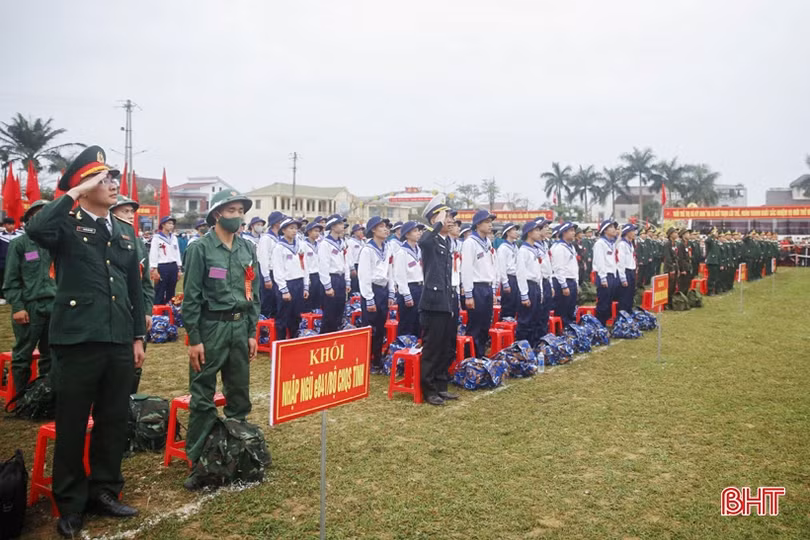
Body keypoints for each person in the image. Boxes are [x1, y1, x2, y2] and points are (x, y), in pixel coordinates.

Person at [25, 146, 146, 537]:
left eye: (112, 178)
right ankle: (71, 503)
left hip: (117, 339)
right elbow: (37, 230)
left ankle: (105, 491)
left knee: (113, 419)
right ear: (84, 185)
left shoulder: (124, 231)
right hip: (78, 340)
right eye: (103, 179)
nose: (112, 185)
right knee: (73, 424)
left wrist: (138, 336)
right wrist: (74, 193)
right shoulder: (66, 223)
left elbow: (133, 287)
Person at [182, 189, 259, 491]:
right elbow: (191, 297)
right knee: (202, 394)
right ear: (217, 215)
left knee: (238, 392)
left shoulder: (247, 249)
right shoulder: (200, 249)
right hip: (211, 328)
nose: (238, 216)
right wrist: (194, 339)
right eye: (231, 211)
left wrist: (252, 332)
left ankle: (236, 450)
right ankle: (199, 460)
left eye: (241, 210)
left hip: (239, 328)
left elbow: (254, 292)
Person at [3, 200, 55, 397]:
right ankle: (20, 397)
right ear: (30, 220)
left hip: (54, 305)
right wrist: (17, 307)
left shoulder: (57, 244)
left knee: (51, 353)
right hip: (30, 307)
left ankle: (43, 397)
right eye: (39, 215)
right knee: (23, 354)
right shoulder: (20, 244)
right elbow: (11, 280)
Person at [110, 195, 155, 393]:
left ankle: (130, 402)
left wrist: (146, 311)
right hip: (113, 311)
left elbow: (145, 283)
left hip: (135, 313)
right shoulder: (106, 241)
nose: (130, 216)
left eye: (131, 212)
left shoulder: (137, 243)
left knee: (136, 362)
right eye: (124, 211)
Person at [417, 196, 459, 405]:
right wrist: (438, 224)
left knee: (445, 345)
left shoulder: (445, 242)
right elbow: (423, 241)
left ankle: (441, 385)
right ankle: (429, 389)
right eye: (446, 216)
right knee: (432, 348)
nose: (451, 220)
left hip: (445, 300)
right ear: (435, 219)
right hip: (432, 302)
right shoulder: (429, 239)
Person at [358, 216, 394, 372]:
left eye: (386, 227)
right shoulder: (367, 249)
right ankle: (367, 359)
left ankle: (377, 359)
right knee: (370, 327)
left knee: (380, 326)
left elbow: (390, 271)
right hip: (372, 290)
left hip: (383, 288)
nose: (386, 230)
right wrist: (369, 298)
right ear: (373, 230)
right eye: (381, 227)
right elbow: (364, 275)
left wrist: (391, 292)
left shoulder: (388, 248)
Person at [461, 209, 497, 358]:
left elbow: (491, 265)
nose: (490, 225)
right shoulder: (470, 242)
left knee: (485, 324)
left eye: (490, 222)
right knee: (475, 325)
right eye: (487, 222)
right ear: (478, 224)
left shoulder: (487, 242)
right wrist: (468, 294)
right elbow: (467, 269)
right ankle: (471, 358)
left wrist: (493, 289)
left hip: (487, 286)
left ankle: (481, 354)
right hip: (476, 288)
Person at [272, 217, 310, 340]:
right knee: (283, 316)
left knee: (296, 315)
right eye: (291, 228)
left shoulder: (300, 246)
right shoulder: (279, 247)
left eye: (296, 228)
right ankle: (280, 344)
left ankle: (293, 340)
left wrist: (305, 286)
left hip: (298, 282)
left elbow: (305, 267)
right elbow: (278, 270)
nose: (294, 231)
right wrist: (284, 290)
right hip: (287, 284)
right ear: (283, 230)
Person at [318, 214, 351, 334]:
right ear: (333, 226)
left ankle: (335, 337)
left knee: (339, 311)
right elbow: (323, 266)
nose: (343, 226)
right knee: (329, 314)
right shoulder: (325, 244)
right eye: (340, 224)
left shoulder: (342, 242)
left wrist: (347, 280)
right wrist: (328, 286)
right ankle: (325, 338)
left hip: (340, 278)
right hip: (331, 279)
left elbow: (345, 262)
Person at [394, 221, 425, 337]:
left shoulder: (420, 250)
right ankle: (404, 349)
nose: (419, 233)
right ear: (407, 234)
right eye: (415, 231)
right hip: (409, 288)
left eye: (419, 231)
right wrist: (406, 295)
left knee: (419, 322)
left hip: (420, 287)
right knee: (407, 322)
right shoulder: (402, 252)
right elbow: (400, 276)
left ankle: (415, 350)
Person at [516, 220, 544, 346]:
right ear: (529, 233)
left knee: (535, 318)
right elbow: (521, 273)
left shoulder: (535, 249)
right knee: (526, 320)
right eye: (537, 230)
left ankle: (533, 345)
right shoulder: (523, 251)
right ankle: (523, 348)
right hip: (528, 286)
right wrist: (524, 294)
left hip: (536, 285)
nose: (539, 233)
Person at [550, 221, 580, 328]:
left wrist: (576, 283)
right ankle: (561, 331)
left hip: (571, 280)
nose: (573, 233)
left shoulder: (571, 247)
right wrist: (564, 285)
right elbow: (558, 268)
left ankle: (570, 330)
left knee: (570, 308)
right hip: (562, 281)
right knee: (562, 309)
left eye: (573, 230)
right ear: (564, 233)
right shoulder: (559, 247)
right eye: (571, 231)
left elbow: (574, 266)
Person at [257, 211, 285, 318]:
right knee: (268, 301)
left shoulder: (280, 238)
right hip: (269, 272)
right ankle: (264, 328)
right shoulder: (266, 238)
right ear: (276, 223)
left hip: (278, 272)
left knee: (277, 301)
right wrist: (267, 277)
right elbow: (263, 259)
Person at [149, 216, 182, 305]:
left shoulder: (174, 238)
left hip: (173, 266)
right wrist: (154, 268)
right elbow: (154, 253)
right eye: (169, 223)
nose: (171, 226)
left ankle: (170, 310)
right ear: (163, 225)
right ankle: (158, 311)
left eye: (172, 224)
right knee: (160, 289)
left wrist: (179, 268)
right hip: (162, 266)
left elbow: (177, 253)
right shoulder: (157, 238)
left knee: (171, 290)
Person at [591, 219, 619, 325]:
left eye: (614, 227)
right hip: (604, 275)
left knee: (609, 302)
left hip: (612, 275)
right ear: (604, 230)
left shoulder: (611, 243)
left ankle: (604, 324)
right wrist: (603, 277)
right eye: (611, 227)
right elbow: (599, 261)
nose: (614, 229)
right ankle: (600, 326)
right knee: (603, 303)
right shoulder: (600, 243)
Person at [496, 223, 519, 320]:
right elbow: (502, 267)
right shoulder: (503, 248)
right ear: (508, 232)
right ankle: (504, 323)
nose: (516, 232)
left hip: (516, 277)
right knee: (508, 304)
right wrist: (505, 283)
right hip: (509, 278)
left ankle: (511, 324)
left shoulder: (515, 246)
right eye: (514, 230)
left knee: (515, 303)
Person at [535, 218, 554, 336]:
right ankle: (537, 339)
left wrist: (550, 284)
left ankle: (543, 337)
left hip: (546, 281)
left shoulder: (545, 244)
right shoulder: (534, 246)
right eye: (544, 227)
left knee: (545, 312)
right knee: (538, 312)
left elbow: (548, 265)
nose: (547, 229)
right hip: (538, 282)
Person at [0, 216, 24, 305]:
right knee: (2, 279)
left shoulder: (20, 235)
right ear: (5, 225)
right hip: (2, 262)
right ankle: (2, 296)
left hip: (17, 262)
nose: (11, 226)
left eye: (13, 224)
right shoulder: (1, 236)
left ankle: (15, 297)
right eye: (9, 224)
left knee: (16, 278)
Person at [303, 220, 324, 313]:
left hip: (318, 274)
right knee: (308, 300)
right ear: (309, 232)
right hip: (309, 275)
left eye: (318, 231)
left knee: (318, 298)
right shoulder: (303, 245)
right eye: (315, 231)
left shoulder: (320, 245)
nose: (317, 233)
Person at [616, 223, 638, 313]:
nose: (634, 233)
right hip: (625, 271)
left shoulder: (630, 244)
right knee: (624, 295)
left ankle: (629, 312)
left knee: (630, 294)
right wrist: (623, 277)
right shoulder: (622, 244)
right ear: (627, 232)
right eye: (632, 231)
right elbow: (620, 262)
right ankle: (623, 314)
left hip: (631, 270)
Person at [662, 227, 680, 307]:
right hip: (669, 269)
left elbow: (676, 257)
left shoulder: (675, 244)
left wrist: (677, 268)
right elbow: (667, 257)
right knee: (669, 286)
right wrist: (671, 269)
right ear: (670, 235)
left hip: (675, 267)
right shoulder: (667, 244)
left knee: (673, 286)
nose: (676, 234)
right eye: (675, 233)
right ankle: (666, 303)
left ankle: (671, 301)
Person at [347, 224, 365, 294]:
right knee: (354, 284)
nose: (361, 232)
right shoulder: (350, 242)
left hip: (362, 265)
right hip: (355, 264)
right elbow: (349, 255)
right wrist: (352, 268)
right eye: (359, 230)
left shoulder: (363, 242)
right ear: (354, 232)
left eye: (362, 230)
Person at [677, 229, 693, 295]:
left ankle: (685, 298)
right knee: (683, 284)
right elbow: (680, 258)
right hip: (684, 267)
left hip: (688, 266)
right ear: (683, 235)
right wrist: (682, 269)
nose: (689, 235)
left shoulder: (686, 244)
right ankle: (681, 299)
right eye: (687, 234)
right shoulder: (681, 244)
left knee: (687, 283)